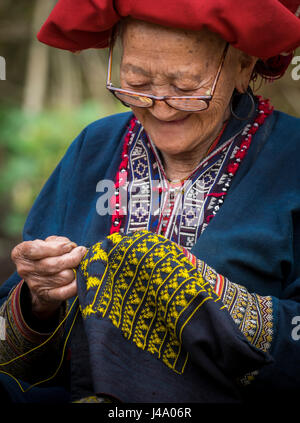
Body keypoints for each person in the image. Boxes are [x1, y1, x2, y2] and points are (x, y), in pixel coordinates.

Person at [0, 0, 300, 403]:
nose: (159, 105)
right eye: (137, 82)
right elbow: (10, 353)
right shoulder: (94, 147)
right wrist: (37, 299)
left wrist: (215, 305)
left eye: (184, 86)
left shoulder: (291, 160)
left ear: (243, 66)